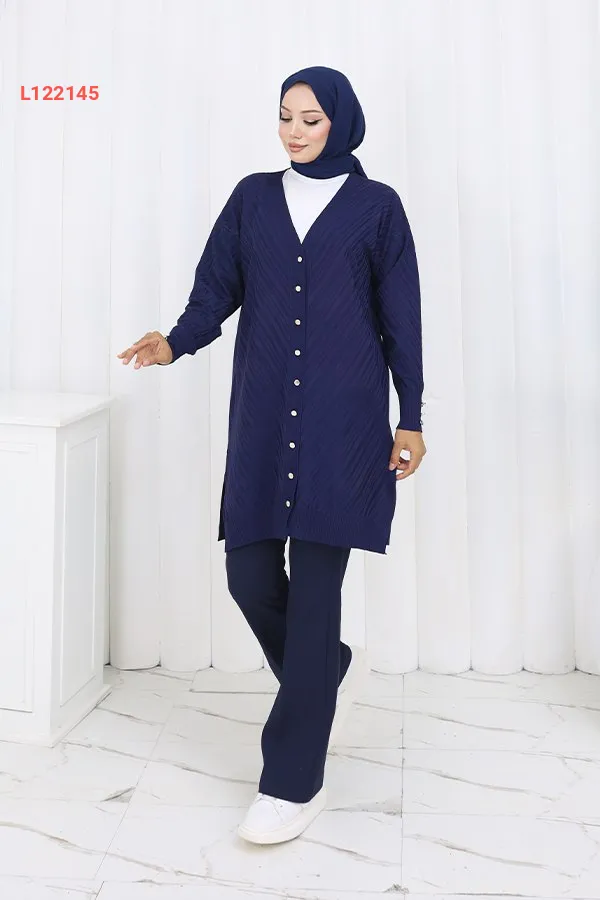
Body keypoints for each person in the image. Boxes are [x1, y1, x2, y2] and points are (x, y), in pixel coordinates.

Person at [118, 65, 426, 845]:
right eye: (285, 115)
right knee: (248, 573)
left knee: (317, 593)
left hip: (345, 425)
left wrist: (412, 416)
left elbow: (402, 319)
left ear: (341, 122)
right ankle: (328, 669)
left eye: (311, 119)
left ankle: (292, 782)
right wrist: (175, 341)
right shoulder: (253, 199)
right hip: (263, 420)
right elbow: (215, 288)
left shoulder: (377, 209)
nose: (294, 131)